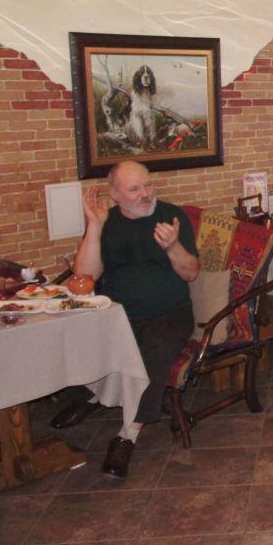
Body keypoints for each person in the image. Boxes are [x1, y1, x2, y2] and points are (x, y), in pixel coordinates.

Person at [50, 161, 199, 478]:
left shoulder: (172, 217)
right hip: (117, 314)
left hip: (170, 312)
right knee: (69, 335)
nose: (145, 194)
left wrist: (173, 246)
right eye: (134, 189)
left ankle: (128, 433)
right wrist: (94, 226)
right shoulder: (108, 222)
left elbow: (191, 273)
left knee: (155, 348)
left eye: (148, 185)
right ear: (115, 194)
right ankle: (88, 396)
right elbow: (85, 277)